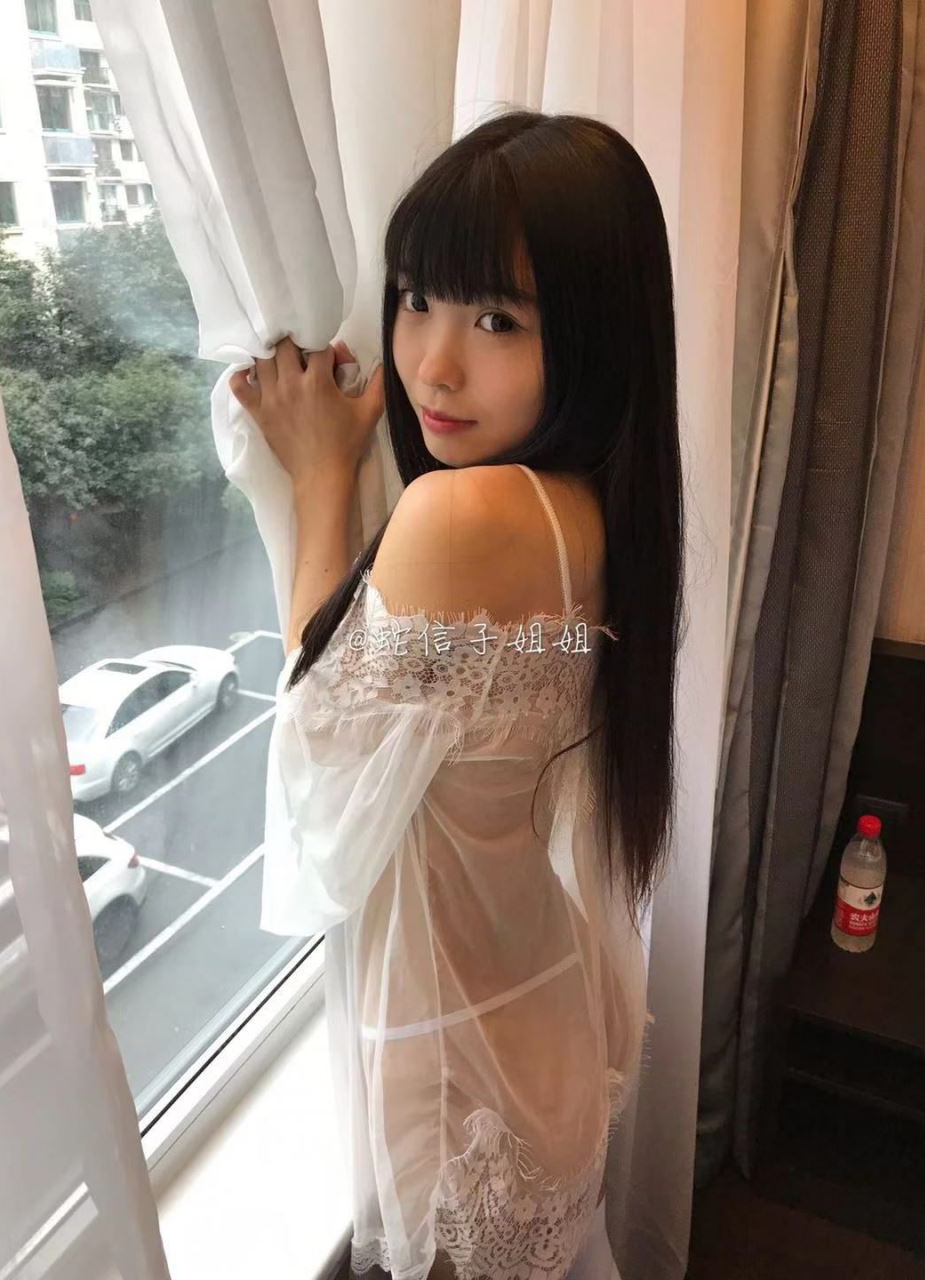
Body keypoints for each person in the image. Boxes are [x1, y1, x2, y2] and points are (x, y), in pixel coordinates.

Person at [229, 107, 684, 1280]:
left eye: (496, 319)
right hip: (536, 1018)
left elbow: (321, 777)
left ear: (593, 336)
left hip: (459, 1064)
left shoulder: (466, 510)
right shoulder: (595, 505)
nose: (432, 362)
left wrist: (321, 476)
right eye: (418, 298)